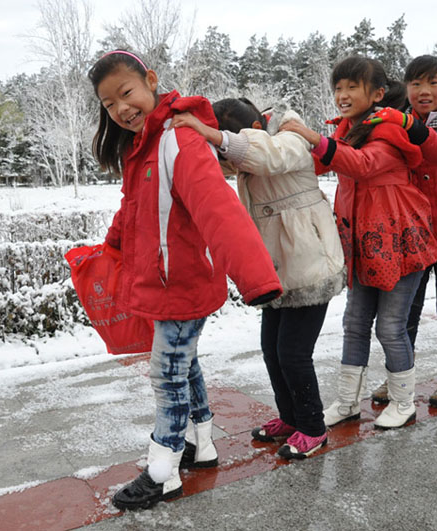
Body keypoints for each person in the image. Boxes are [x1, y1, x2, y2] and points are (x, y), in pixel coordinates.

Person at [87, 50, 282, 510]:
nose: (121, 109)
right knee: (183, 364)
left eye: (127, 93)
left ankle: (163, 471)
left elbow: (219, 209)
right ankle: (201, 443)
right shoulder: (146, 144)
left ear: (151, 81)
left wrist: (256, 279)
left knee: (166, 373)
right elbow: (135, 208)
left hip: (183, 285)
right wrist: (110, 246)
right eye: (109, 103)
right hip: (166, 282)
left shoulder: (179, 139)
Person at [169, 98, 346, 459]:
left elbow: (269, 155)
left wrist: (213, 135)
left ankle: (313, 428)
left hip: (310, 267)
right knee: (272, 351)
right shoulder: (250, 154)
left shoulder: (290, 136)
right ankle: (290, 417)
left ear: (255, 125)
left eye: (230, 143)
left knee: (293, 354)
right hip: (277, 272)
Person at [281, 56, 437, 429]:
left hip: (398, 241)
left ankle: (403, 403)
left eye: (352, 87)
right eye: (338, 87)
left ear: (378, 93)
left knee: (390, 326)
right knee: (354, 323)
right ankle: (348, 401)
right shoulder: (347, 130)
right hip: (363, 242)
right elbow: (323, 163)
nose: (342, 95)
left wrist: (311, 137)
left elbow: (363, 164)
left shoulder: (387, 130)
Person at [366, 55, 437, 407]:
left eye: (432, 83)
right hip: (413, 237)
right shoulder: (401, 120)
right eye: (416, 83)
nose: (424, 91)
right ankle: (400, 379)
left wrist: (404, 123)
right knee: (406, 311)